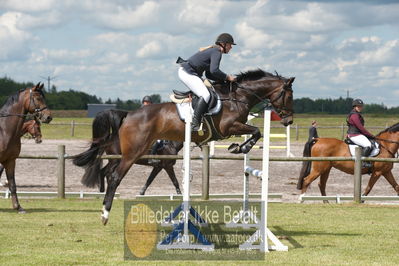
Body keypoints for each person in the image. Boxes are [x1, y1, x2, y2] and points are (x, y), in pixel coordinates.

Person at [178, 33, 237, 131]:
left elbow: (209, 74)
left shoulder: (214, 51)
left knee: (208, 91)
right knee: (206, 95)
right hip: (187, 72)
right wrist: (227, 77)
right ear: (224, 44)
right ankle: (195, 123)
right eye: (230, 44)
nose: (231, 47)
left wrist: (222, 80)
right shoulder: (217, 52)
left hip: (188, 72)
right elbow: (214, 71)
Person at [347, 99, 375, 167]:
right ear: (354, 106)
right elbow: (360, 128)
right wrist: (370, 135)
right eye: (358, 106)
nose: (360, 108)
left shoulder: (356, 114)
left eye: (361, 106)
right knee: (368, 145)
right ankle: (362, 162)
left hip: (357, 134)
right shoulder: (354, 115)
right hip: (354, 135)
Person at [141, 96, 162, 164]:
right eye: (145, 102)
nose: (147, 103)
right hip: (143, 131)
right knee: (157, 141)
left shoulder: (150, 111)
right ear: (143, 103)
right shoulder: (142, 111)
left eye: (148, 102)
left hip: (148, 130)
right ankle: (151, 158)